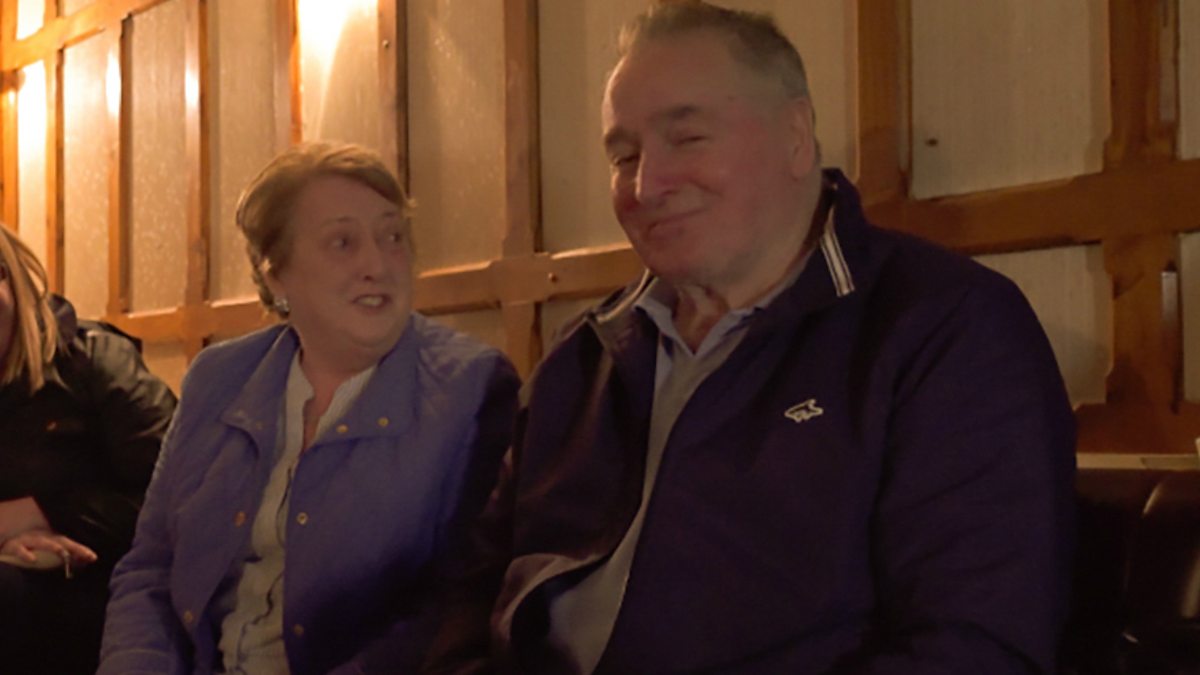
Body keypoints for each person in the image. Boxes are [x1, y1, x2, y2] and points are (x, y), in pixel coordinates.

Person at [423, 2, 1076, 673]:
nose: (647, 185)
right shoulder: (582, 356)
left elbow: (974, 646)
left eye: (687, 138)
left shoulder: (943, 328)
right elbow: (471, 596)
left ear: (796, 136)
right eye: (624, 156)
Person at [99, 142, 520, 675]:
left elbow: (456, 605)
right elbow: (151, 570)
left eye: (393, 237)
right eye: (342, 242)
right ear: (276, 274)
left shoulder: (471, 387)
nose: (378, 264)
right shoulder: (218, 377)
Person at [0, 222, 177, 674]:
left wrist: (42, 514)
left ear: (10, 278)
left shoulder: (95, 359)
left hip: (107, 589)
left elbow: (181, 496)